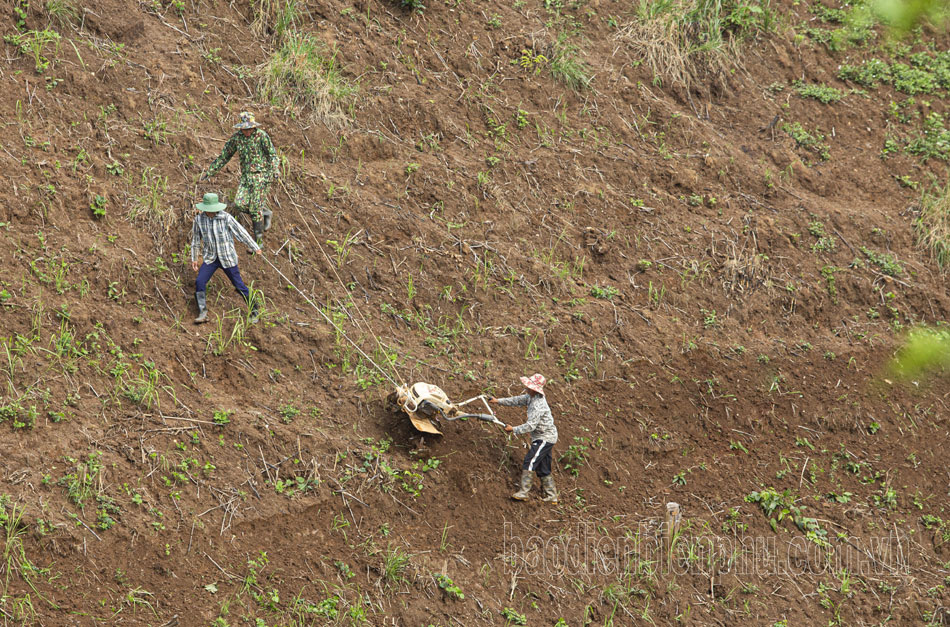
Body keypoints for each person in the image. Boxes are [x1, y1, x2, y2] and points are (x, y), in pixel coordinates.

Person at [200, 111, 280, 245]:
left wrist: (274, 169)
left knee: (254, 210)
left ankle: (257, 242)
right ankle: (264, 212)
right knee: (239, 204)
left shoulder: (261, 136)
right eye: (244, 129)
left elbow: (272, 155)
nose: (247, 132)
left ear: (253, 127)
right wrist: (211, 171)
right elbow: (225, 156)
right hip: (246, 178)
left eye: (249, 129)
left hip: (261, 176)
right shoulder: (237, 138)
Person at [190, 192, 263, 324]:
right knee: (200, 281)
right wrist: (194, 258)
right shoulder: (199, 220)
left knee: (238, 285)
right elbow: (195, 240)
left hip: (227, 257)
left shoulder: (225, 218)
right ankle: (202, 312)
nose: (211, 212)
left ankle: (254, 309)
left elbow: (241, 232)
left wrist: (254, 246)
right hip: (211, 258)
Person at [489, 374, 558, 504]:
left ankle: (524, 492)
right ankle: (552, 496)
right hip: (544, 436)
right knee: (543, 467)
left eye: (529, 386)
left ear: (535, 389)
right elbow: (516, 400)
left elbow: (531, 425)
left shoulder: (538, 404)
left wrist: (513, 429)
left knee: (530, 461)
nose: (526, 388)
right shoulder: (530, 397)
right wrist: (498, 401)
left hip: (545, 437)